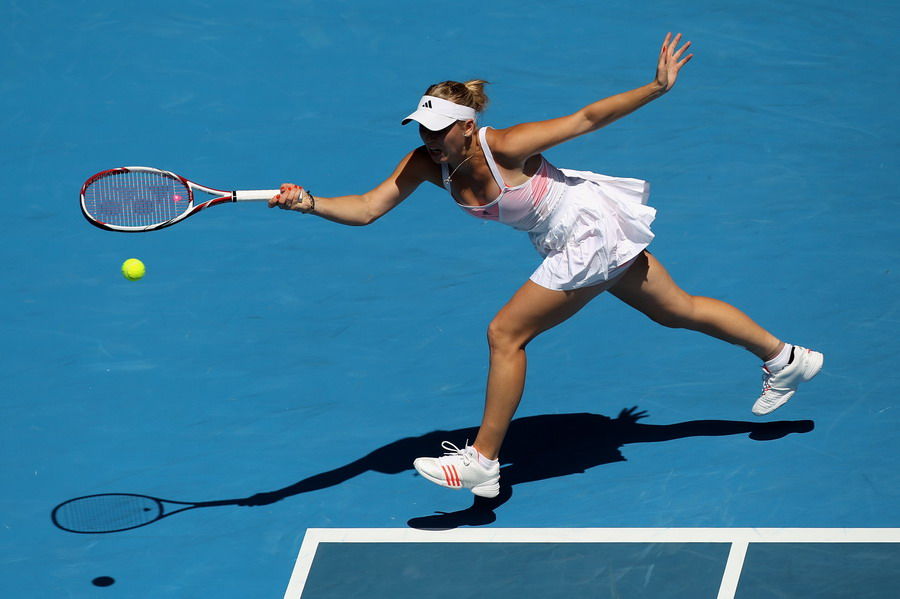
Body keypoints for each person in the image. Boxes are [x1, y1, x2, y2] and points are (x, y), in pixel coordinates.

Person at [268, 33, 823, 499]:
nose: (428, 139)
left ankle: (483, 461)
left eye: (437, 130)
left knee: (505, 333)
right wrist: (309, 202)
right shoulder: (424, 163)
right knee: (677, 310)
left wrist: (656, 87)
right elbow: (367, 209)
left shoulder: (505, 145)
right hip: (564, 237)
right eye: (421, 127)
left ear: (465, 126)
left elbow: (586, 118)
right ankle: (785, 357)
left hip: (586, 231)